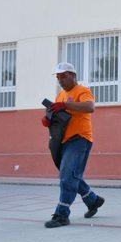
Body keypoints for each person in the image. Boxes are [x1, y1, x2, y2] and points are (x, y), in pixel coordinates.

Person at [41, 62, 105, 228]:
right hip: (63, 141)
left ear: (73, 75)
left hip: (80, 138)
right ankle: (93, 200)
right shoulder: (60, 95)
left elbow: (90, 107)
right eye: (58, 77)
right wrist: (48, 118)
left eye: (63, 76)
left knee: (68, 175)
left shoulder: (82, 91)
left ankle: (62, 214)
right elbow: (59, 115)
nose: (60, 80)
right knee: (70, 174)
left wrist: (66, 105)